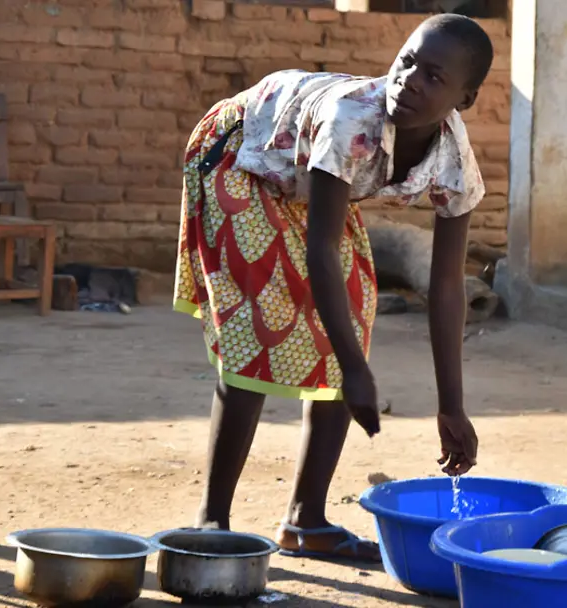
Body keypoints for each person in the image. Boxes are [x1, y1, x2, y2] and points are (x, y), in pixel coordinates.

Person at [172, 14, 491, 562]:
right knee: (263, 326)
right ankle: (212, 523)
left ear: (465, 99)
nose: (410, 79)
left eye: (434, 77)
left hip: (302, 180)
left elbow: (445, 287)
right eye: (406, 61)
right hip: (241, 151)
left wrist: (452, 408)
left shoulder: (454, 161)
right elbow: (320, 249)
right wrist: (355, 371)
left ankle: (306, 521)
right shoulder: (353, 121)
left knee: (352, 313)